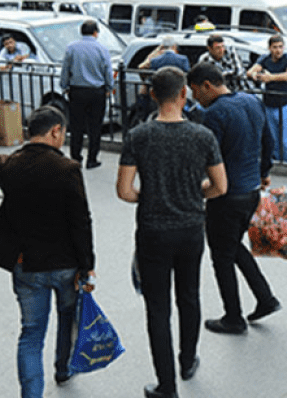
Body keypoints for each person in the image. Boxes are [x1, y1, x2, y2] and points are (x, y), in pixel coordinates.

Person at [116, 67, 227, 398]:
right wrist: (195, 195)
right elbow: (220, 186)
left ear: (152, 95)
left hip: (152, 229)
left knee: (158, 308)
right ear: (183, 94)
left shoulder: (138, 136)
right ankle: (188, 358)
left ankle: (166, 385)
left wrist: (150, 197)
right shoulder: (202, 136)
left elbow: (124, 190)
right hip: (191, 227)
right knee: (189, 296)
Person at [0, 105, 96, 398]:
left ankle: (31, 394)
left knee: (31, 334)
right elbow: (81, 220)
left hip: (26, 264)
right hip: (65, 264)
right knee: (67, 316)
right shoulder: (67, 169)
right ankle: (63, 367)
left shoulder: (10, 166)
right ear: (56, 130)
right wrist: (87, 266)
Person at [187, 63, 281, 335]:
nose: (195, 98)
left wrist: (201, 185)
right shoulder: (252, 101)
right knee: (232, 246)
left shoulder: (215, 114)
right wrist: (264, 172)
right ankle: (265, 298)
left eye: (195, 91)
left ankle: (233, 316)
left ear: (207, 85)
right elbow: (268, 141)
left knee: (222, 256)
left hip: (226, 194)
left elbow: (209, 157)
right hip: (251, 189)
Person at [59, 20, 113, 170]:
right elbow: (107, 71)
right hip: (97, 91)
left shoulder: (72, 48)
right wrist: (109, 87)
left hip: (77, 91)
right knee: (95, 127)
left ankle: (76, 159)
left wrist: (64, 86)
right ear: (96, 32)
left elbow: (65, 69)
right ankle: (92, 159)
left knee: (76, 127)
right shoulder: (102, 49)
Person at [246, 35, 287, 163]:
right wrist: (255, 75)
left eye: (280, 47)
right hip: (269, 104)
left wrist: (271, 78)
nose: (278, 50)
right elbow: (250, 72)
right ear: (270, 48)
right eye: (275, 47)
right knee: (273, 141)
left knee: (286, 142)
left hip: (286, 104)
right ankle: (278, 166)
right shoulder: (265, 59)